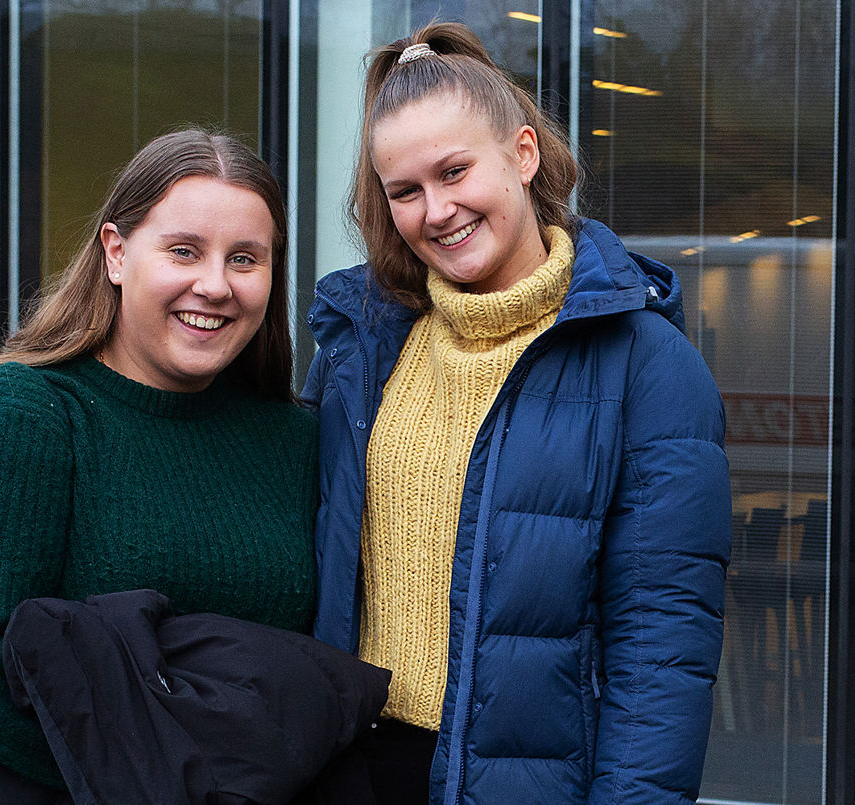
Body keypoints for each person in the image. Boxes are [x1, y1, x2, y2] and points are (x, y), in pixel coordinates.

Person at [305, 23, 731, 804]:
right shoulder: (358, 348)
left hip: (531, 781)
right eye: (405, 191)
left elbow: (661, 649)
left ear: (523, 154)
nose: (437, 210)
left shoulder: (646, 363)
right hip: (353, 772)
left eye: (454, 171)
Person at [0, 129, 315, 795]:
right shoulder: (15, 419)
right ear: (116, 253)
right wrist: (158, 783)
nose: (214, 285)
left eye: (244, 259)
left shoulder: (293, 439)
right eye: (183, 251)